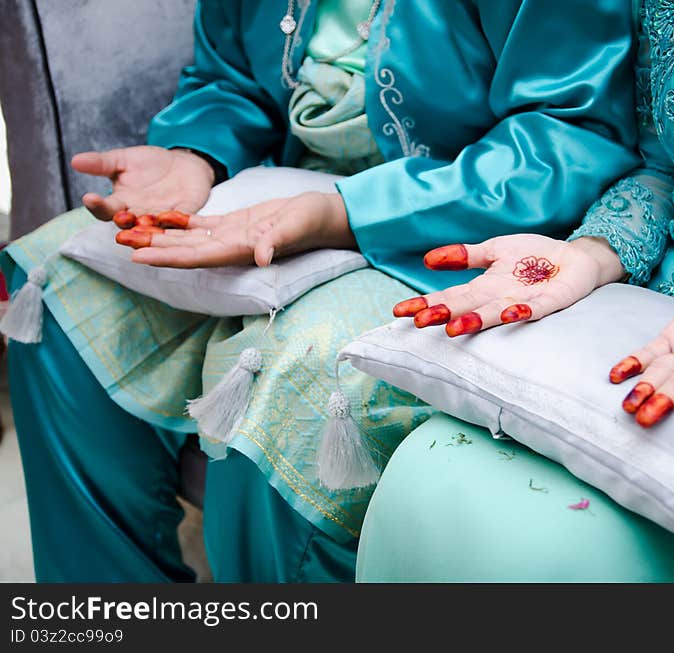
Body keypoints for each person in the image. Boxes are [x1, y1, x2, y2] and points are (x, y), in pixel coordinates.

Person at [0, 0, 640, 581]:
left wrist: (341, 213)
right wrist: (195, 152)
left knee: (298, 391)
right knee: (63, 288)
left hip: (460, 234)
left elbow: (570, 136)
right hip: (275, 199)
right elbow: (231, 77)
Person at [357, 0, 674, 582]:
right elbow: (664, 164)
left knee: (544, 551)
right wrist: (593, 252)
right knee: (426, 482)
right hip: (646, 333)